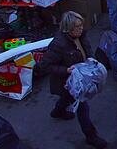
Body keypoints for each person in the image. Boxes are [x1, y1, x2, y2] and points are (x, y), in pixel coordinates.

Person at [38, 12, 107, 149]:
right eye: (77, 27)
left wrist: (91, 59)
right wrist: (66, 70)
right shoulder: (58, 44)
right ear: (68, 28)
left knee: (66, 99)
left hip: (79, 78)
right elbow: (44, 65)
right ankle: (91, 136)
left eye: (81, 25)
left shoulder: (81, 36)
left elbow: (87, 50)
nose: (81, 29)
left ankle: (57, 112)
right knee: (83, 107)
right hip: (67, 83)